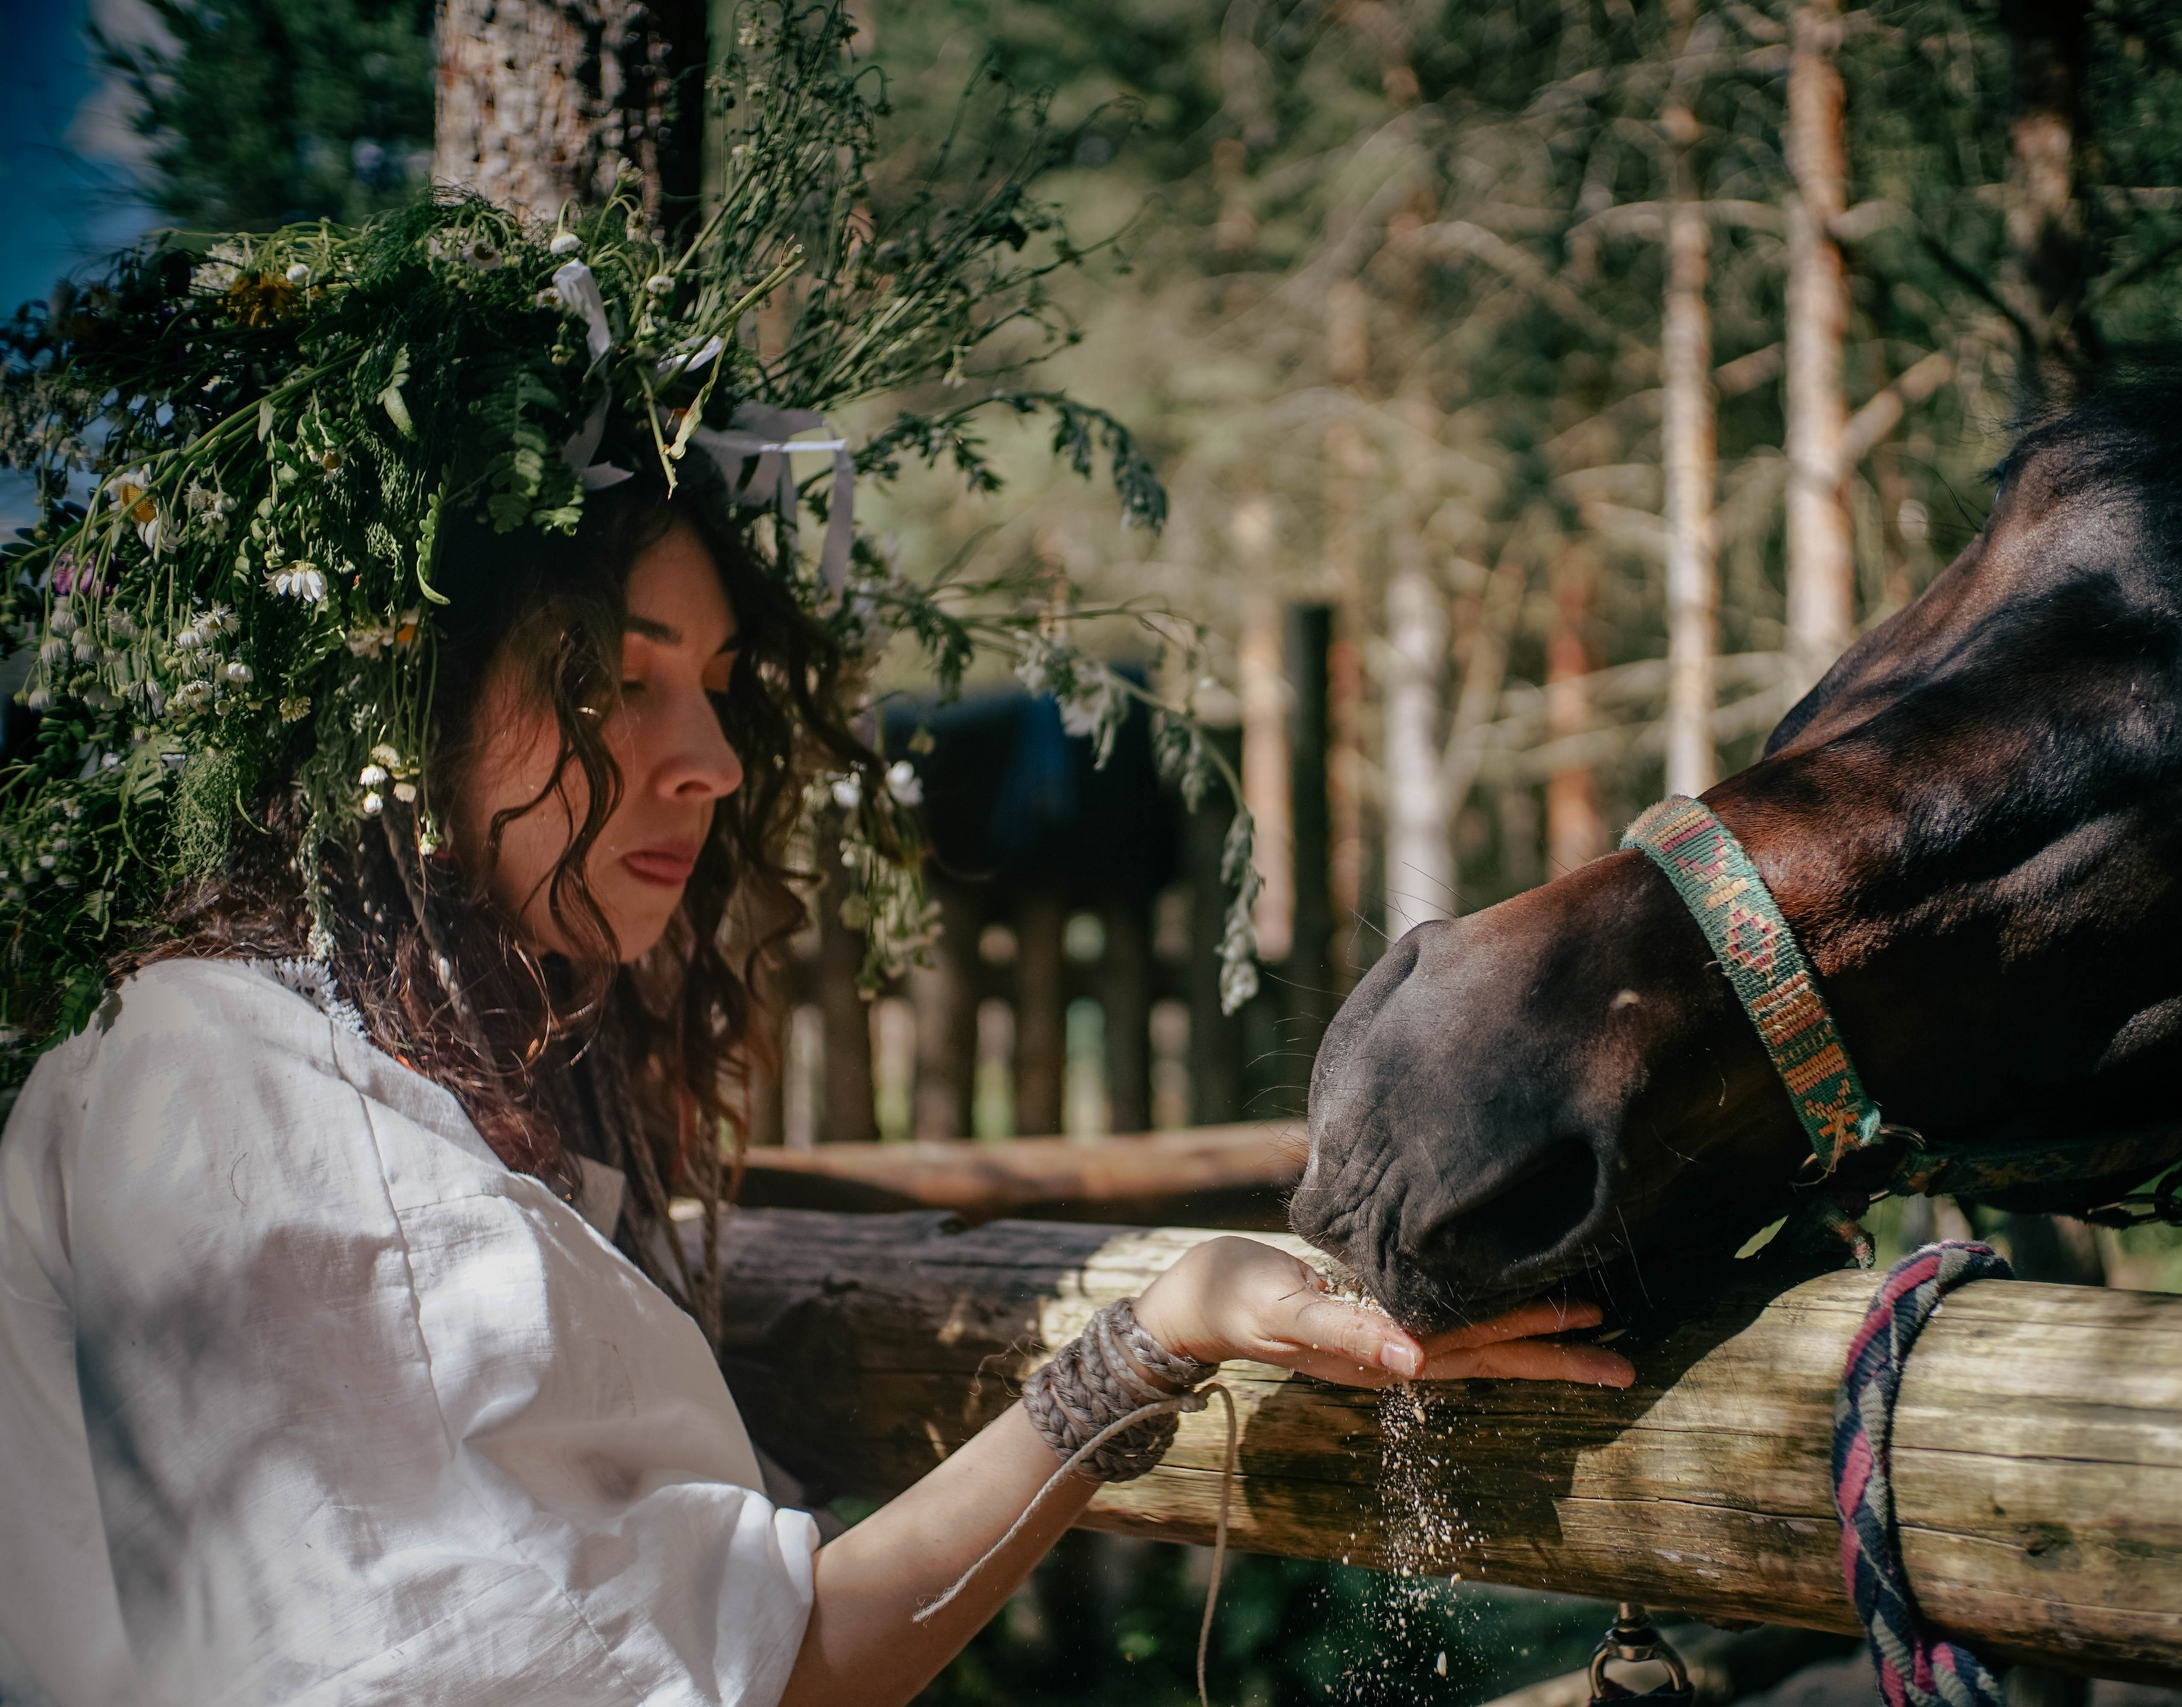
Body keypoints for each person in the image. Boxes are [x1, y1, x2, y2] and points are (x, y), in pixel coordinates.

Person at [0, 193, 1633, 1706]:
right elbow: (753, 1684)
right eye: (615, 680)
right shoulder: (263, 1123)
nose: (707, 757)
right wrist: (1157, 1336)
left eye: (715, 681)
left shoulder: (309, 1068)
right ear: (398, 707)